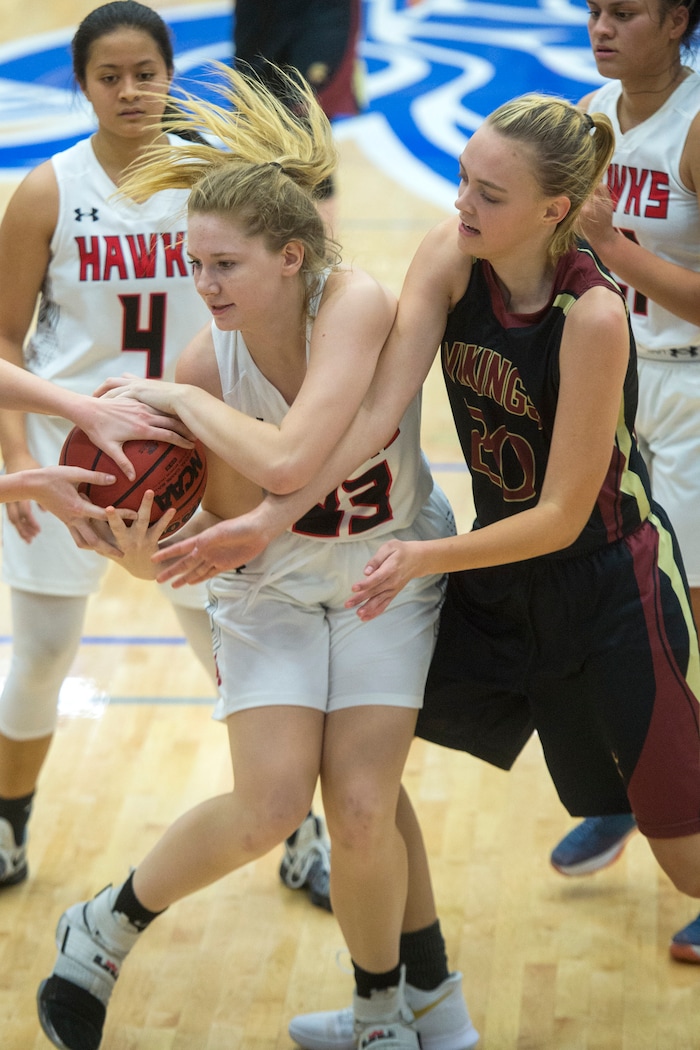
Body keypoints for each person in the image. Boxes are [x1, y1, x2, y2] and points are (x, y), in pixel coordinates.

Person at [142, 91, 700, 1042]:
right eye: (463, 179)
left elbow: (561, 517)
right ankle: (417, 997)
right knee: (360, 770)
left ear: (554, 211)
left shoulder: (594, 315)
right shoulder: (450, 256)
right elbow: (372, 419)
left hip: (607, 585)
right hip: (499, 577)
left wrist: (418, 556)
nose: (461, 203)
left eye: (488, 193)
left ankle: (622, 807)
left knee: (686, 861)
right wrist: (270, 518)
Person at [35, 61, 478, 1050]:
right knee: (271, 806)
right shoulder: (208, 360)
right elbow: (212, 534)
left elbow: (287, 460)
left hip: (381, 577)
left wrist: (172, 397)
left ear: (291, 257)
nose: (202, 286)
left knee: (361, 805)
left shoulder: (350, 303)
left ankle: (380, 1014)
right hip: (272, 591)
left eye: (223, 266)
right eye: (193, 263)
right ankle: (106, 925)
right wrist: (137, 550)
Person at [0, 0, 329, 915]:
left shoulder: (217, 183)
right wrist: (16, 455)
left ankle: (301, 832)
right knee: (42, 652)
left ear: (171, 74)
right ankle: (8, 825)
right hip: (71, 455)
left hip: (196, 457)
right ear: (81, 84)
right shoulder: (47, 192)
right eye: (110, 76)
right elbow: (5, 338)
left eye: (146, 72)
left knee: (232, 658)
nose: (131, 90)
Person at [545, 0, 700, 963]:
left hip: (692, 395)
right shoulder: (589, 115)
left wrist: (615, 246)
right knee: (601, 602)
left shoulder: (695, 126)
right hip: (616, 383)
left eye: (625, 11)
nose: (601, 26)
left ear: (678, 18)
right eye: (594, 9)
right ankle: (633, 786)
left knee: (683, 633)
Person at [233, 0, 363, 233]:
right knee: (256, 138)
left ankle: (321, 247)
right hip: (260, 19)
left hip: (320, 17)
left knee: (308, 143)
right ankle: (262, 239)